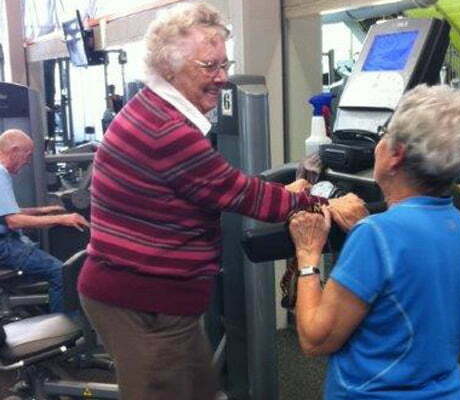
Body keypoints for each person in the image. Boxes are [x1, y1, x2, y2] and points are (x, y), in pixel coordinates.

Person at [76, 3, 363, 400]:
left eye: (224, 66)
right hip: (142, 301)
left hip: (156, 299)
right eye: (209, 67)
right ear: (169, 67)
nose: (223, 78)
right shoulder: (168, 130)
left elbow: (221, 185)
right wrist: (325, 207)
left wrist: (288, 196)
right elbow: (237, 193)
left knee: (200, 389)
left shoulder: (155, 108)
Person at [289, 84, 460, 399]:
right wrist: (370, 234)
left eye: (384, 133)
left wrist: (307, 254)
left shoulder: (376, 235)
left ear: (396, 154)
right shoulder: (456, 222)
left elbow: (315, 339)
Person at [0, 129, 89, 313]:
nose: (28, 161)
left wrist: (42, 211)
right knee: (62, 274)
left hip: (8, 243)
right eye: (28, 155)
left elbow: (7, 212)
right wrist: (64, 218)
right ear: (14, 150)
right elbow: (14, 221)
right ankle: (63, 329)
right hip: (5, 247)